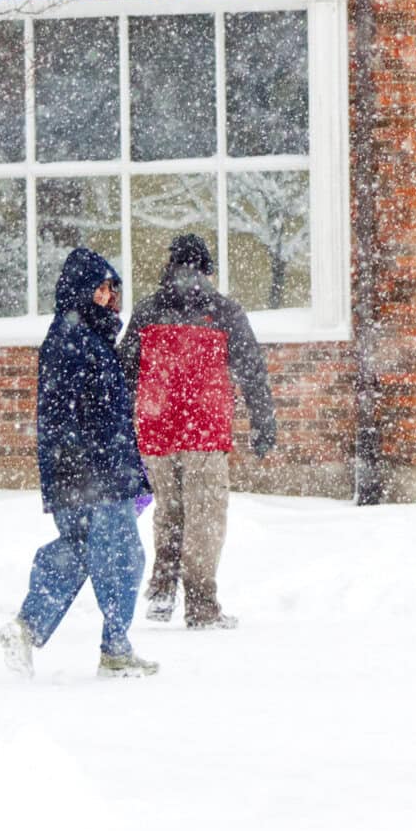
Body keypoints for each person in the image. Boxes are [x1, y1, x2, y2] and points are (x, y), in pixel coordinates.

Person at [0, 248, 158, 679]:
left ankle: (26, 628)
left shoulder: (83, 338)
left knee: (82, 552)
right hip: (95, 475)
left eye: (111, 288)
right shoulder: (76, 341)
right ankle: (116, 650)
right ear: (79, 290)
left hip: (84, 474)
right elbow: (74, 417)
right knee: (123, 556)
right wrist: (100, 472)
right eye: (100, 287)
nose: (107, 297)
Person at [119, 234, 276, 630]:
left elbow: (125, 370)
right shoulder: (224, 311)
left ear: (169, 267)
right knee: (205, 517)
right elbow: (251, 370)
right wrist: (263, 420)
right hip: (203, 429)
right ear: (208, 270)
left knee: (170, 511)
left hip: (156, 429)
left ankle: (162, 591)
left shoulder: (148, 310)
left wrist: (121, 425)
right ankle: (202, 605)